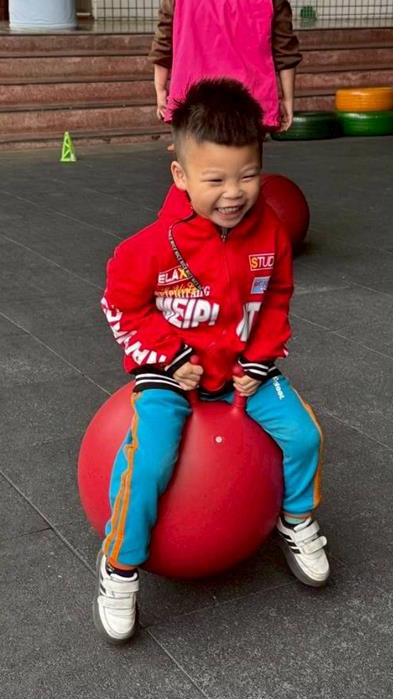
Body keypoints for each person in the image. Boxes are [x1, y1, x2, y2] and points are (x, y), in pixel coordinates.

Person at [95, 79, 329, 644]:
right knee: (150, 461)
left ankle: (295, 518)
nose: (233, 193)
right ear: (180, 175)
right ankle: (119, 567)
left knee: (304, 436)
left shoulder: (270, 234)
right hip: (169, 375)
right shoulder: (150, 247)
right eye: (215, 179)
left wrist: (261, 358)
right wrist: (170, 357)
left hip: (244, 373)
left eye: (247, 176)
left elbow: (276, 298)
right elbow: (121, 307)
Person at [149, 0, 302, 134]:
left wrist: (160, 89)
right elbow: (285, 49)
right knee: (246, 156)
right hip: (250, 101)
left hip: (193, 101)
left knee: (194, 154)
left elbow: (164, 41)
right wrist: (287, 99)